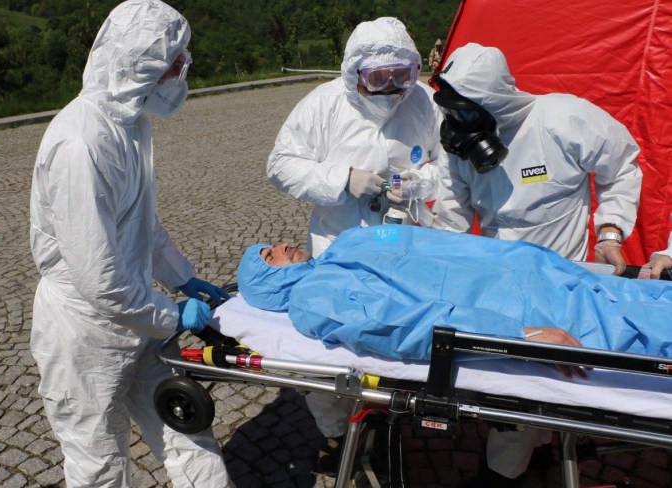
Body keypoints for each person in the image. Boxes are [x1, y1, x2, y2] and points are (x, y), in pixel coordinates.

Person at [29, 1, 232, 486]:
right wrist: (169, 315)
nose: (182, 74)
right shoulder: (81, 143)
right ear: (142, 66)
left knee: (186, 430)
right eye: (176, 64)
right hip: (86, 331)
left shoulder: (129, 122)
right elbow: (98, 279)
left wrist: (183, 277)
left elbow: (142, 225)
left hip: (138, 319)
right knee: (98, 461)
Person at [428, 42, 643, 484]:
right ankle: (525, 453)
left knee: (538, 378)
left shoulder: (564, 118)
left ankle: (512, 467)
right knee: (512, 380)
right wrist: (440, 263)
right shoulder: (460, 146)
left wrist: (610, 231)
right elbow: (450, 213)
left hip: (561, 274)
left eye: (466, 113)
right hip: (497, 276)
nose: (456, 124)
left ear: (494, 102)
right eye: (451, 112)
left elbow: (622, 166)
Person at [237, 224, 671, 364]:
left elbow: (441, 242)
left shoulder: (348, 241)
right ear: (268, 286)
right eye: (270, 256)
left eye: (272, 244)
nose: (282, 245)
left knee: (639, 299)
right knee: (641, 326)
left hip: (539, 270)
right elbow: (399, 328)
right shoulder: (313, 297)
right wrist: (520, 336)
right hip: (530, 310)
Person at [267, 17, 443, 259]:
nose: (389, 87)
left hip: (407, 240)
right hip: (337, 242)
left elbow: (453, 166)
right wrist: (343, 180)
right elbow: (281, 164)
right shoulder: (323, 103)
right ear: (355, 73)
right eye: (377, 78)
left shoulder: (425, 101)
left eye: (401, 75)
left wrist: (418, 183)